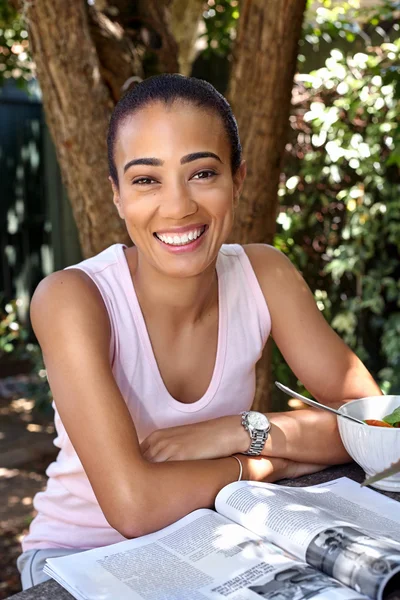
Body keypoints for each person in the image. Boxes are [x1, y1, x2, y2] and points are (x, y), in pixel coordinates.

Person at [17, 74, 381, 589]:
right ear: (116, 196)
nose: (178, 206)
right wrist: (261, 466)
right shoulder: (74, 299)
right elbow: (135, 507)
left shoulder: (265, 275)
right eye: (146, 180)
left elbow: (374, 427)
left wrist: (240, 430)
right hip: (79, 559)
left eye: (202, 173)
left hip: (214, 537)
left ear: (238, 178)